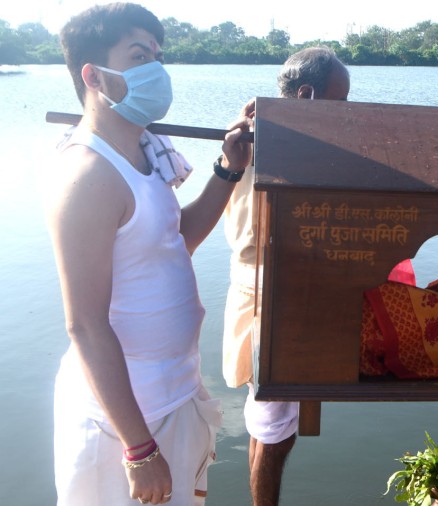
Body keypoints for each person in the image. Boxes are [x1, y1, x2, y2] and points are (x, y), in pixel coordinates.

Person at [46, 3, 252, 505]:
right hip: (119, 425)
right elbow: (86, 325)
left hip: (173, 394)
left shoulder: (142, 153)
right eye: (139, 56)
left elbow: (173, 241)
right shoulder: (90, 177)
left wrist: (228, 169)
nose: (155, 69)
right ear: (94, 75)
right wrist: (139, 450)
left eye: (158, 56)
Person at [221, 47, 350, 506]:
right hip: (271, 299)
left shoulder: (256, 137)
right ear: (306, 95)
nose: (346, 114)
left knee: (265, 426)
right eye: (340, 103)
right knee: (275, 435)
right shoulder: (268, 143)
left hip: (263, 293)